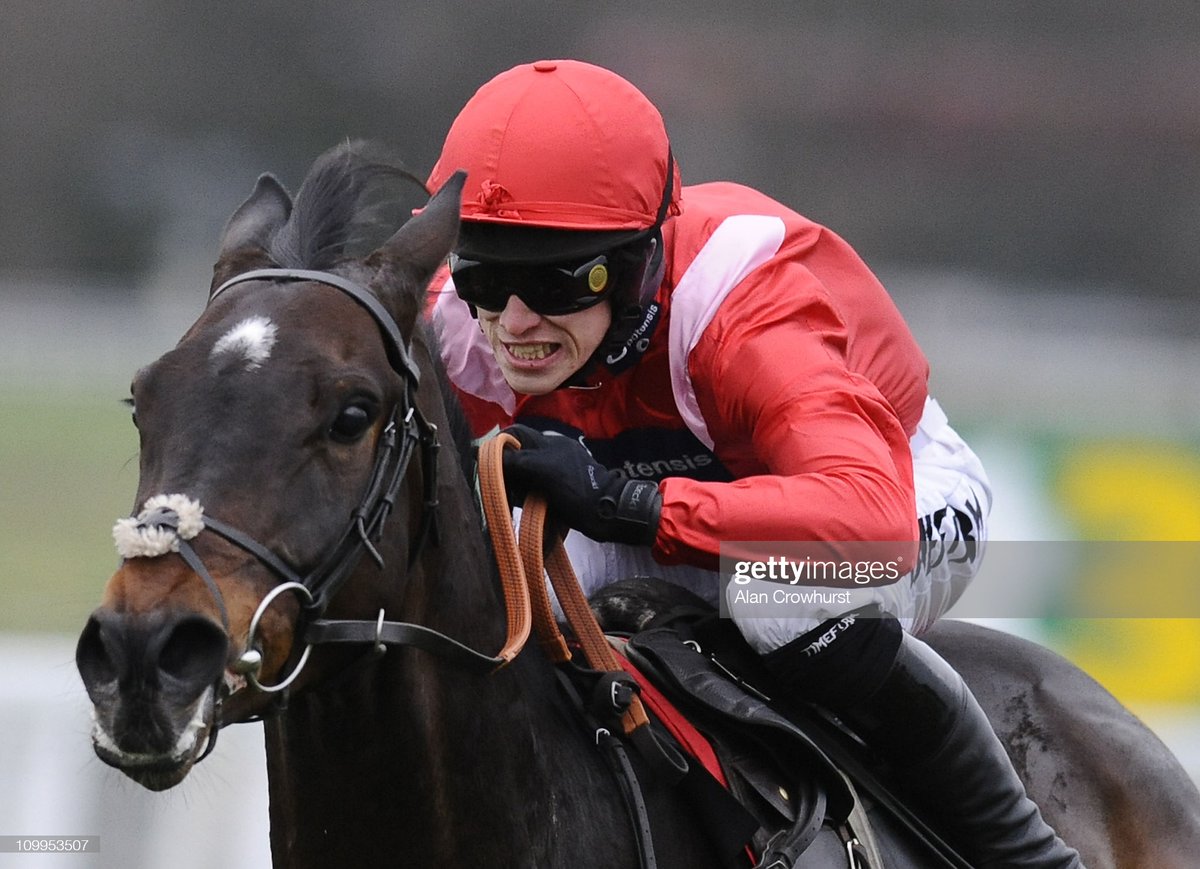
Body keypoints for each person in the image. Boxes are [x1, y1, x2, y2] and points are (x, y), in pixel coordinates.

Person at [427, 59, 1080, 867]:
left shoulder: (742, 307)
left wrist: (630, 504)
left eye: (556, 284)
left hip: (892, 496)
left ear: (636, 265)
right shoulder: (456, 323)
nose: (514, 322)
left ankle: (1029, 854)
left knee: (779, 598)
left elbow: (866, 517)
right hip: (664, 509)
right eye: (487, 277)